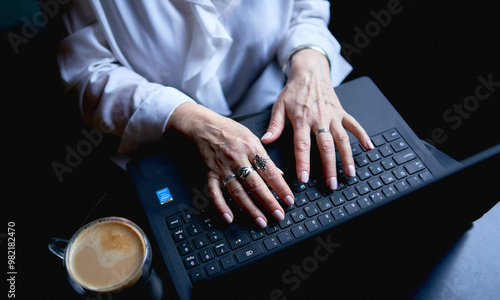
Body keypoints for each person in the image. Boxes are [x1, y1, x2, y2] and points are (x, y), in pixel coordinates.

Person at [56, 0, 373, 230]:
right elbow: (88, 72)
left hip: (279, 104)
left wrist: (310, 61)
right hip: (164, 139)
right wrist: (190, 120)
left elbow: (306, 11)